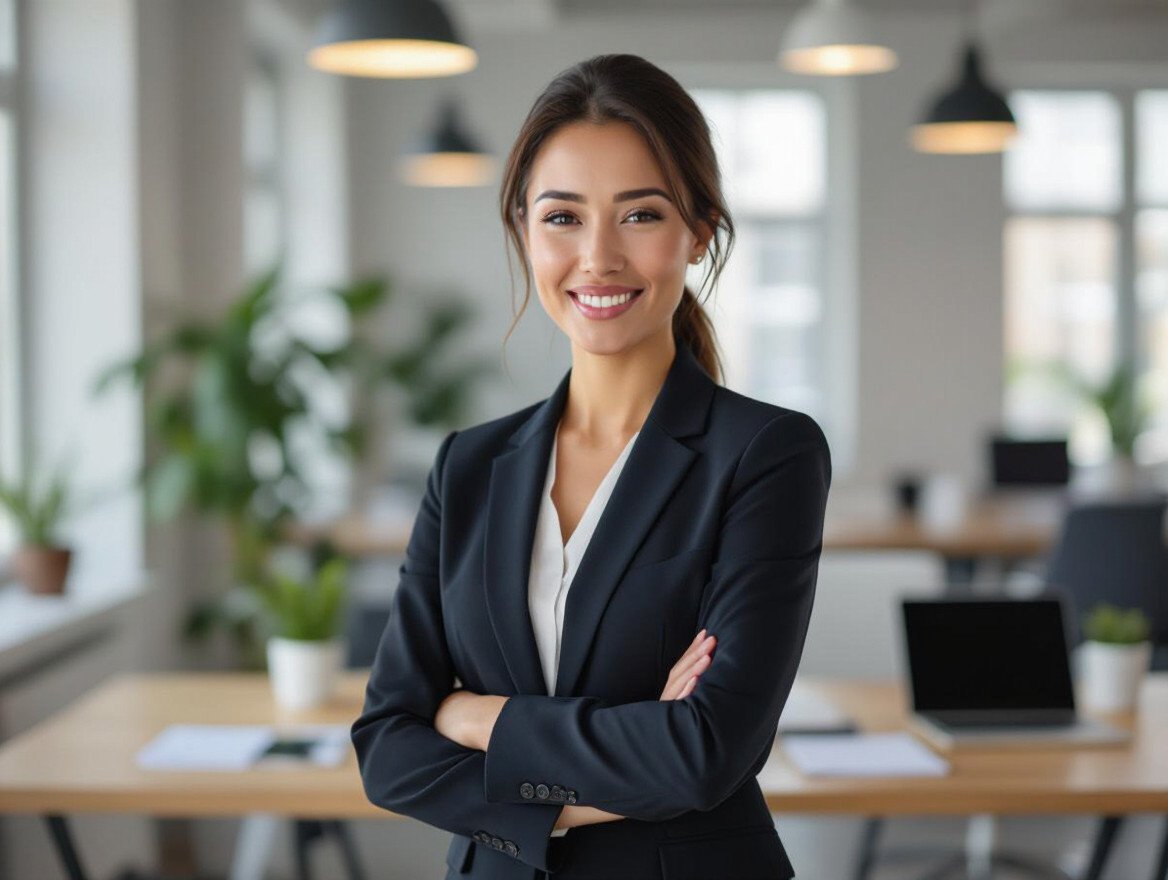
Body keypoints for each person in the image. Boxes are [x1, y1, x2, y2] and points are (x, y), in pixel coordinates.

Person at [351, 53, 832, 880]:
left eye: (640, 215)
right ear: (524, 232)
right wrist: (615, 759)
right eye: (563, 217)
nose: (598, 257)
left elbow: (706, 752)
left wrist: (474, 716)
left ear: (699, 232)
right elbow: (387, 747)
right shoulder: (467, 467)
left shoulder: (766, 456)